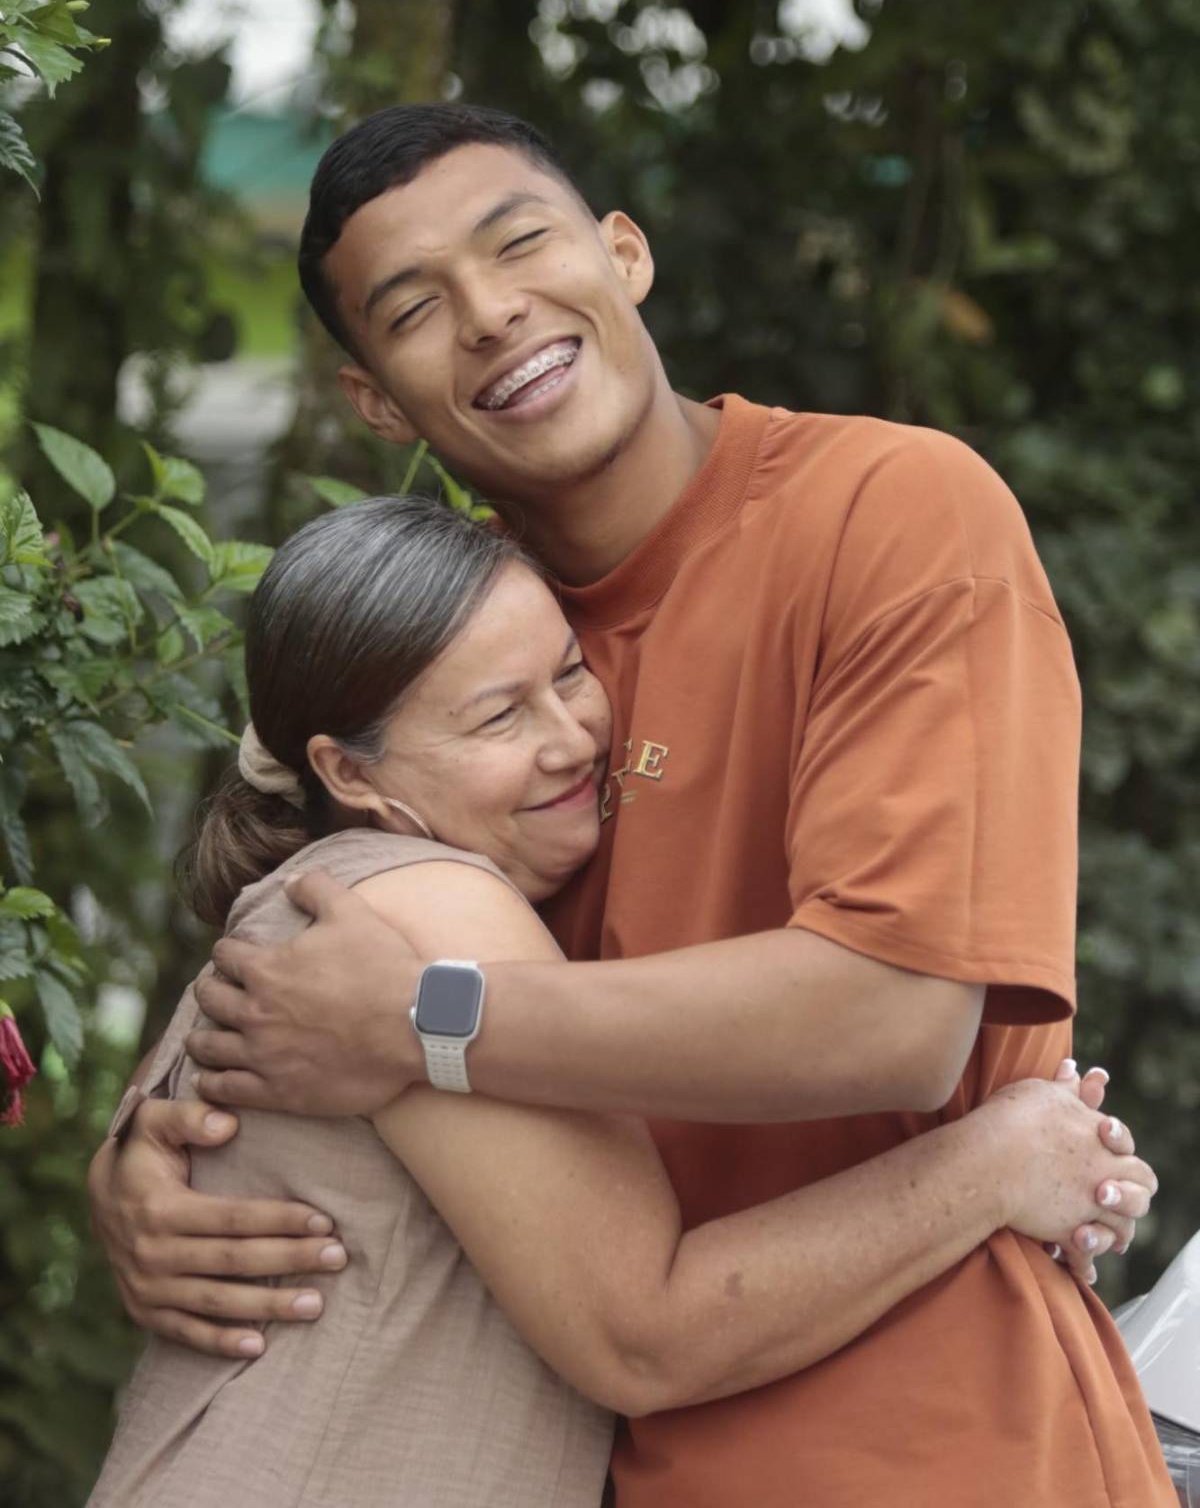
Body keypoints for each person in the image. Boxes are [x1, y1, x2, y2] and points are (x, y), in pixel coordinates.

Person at [90, 104, 1176, 1505]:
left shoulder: (892, 513)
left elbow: (900, 1020)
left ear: (624, 252)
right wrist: (149, 1157)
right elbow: (300, 904)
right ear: (376, 400)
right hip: (626, 1445)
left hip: (943, 1445)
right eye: (416, 308)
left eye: (519, 243)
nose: (491, 313)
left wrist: (422, 1024)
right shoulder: (460, 631)